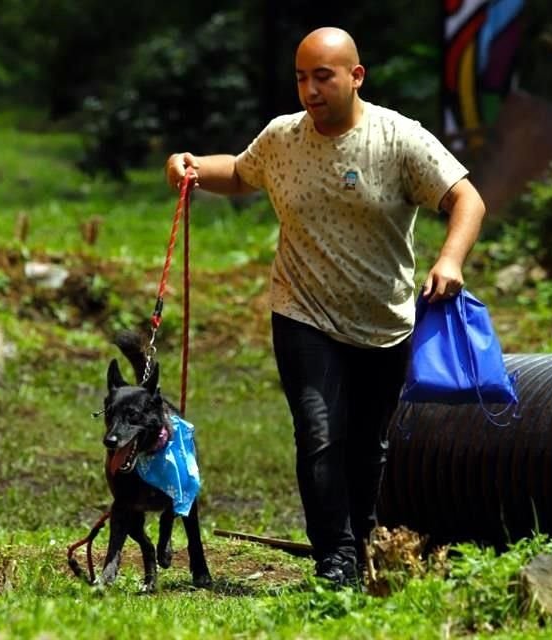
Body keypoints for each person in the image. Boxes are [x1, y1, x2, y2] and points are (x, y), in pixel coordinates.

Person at [164, 27, 486, 587]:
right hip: (302, 310)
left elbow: (466, 198)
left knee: (368, 446)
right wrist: (190, 166)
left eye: (323, 76)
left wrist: (451, 261)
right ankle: (334, 556)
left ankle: (362, 544)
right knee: (318, 434)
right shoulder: (283, 138)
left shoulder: (398, 139)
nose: (310, 90)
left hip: (382, 320)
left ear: (355, 76)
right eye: (301, 78)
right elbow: (241, 173)